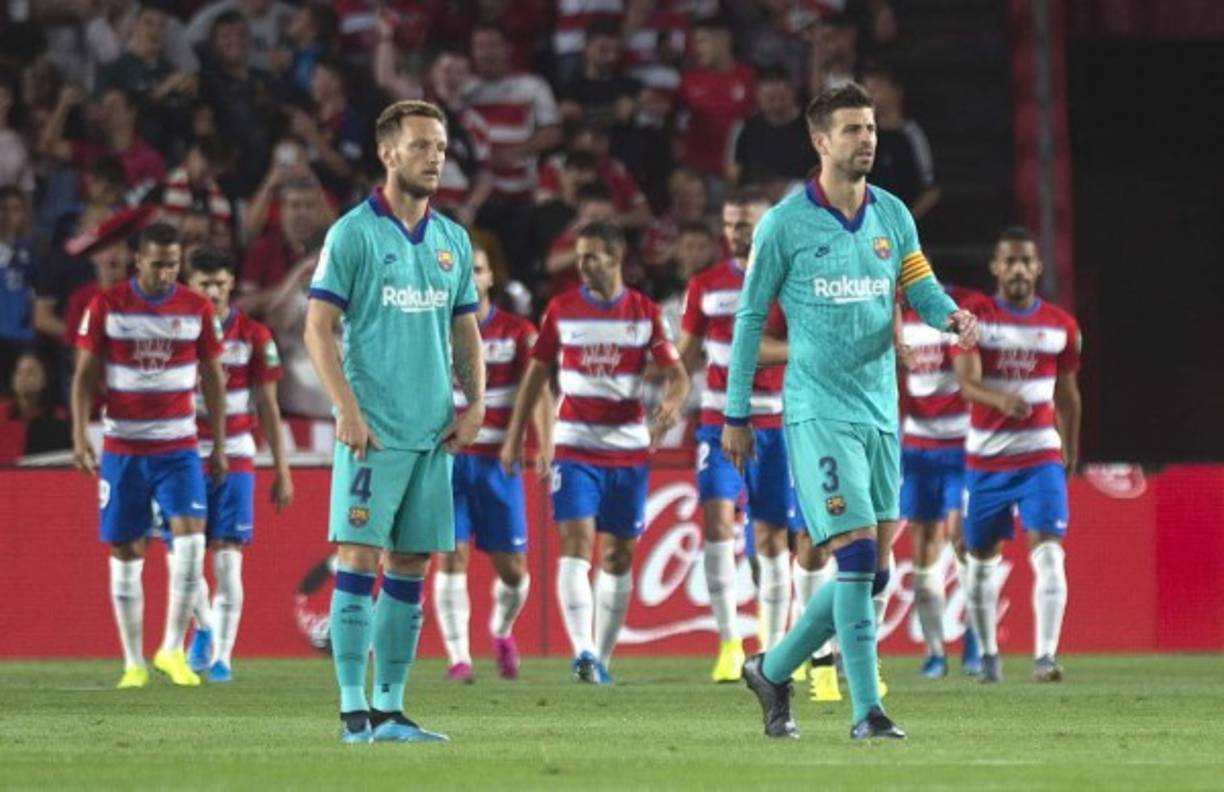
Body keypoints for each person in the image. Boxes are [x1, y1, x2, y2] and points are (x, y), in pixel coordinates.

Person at [721, 82, 978, 741]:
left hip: (881, 414)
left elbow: (918, 284)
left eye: (870, 128)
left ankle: (772, 669)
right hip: (816, 412)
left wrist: (949, 316)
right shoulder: (783, 223)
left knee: (877, 570)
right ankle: (868, 712)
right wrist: (736, 415)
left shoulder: (892, 213)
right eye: (852, 130)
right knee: (858, 559)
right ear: (819, 141)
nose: (867, 139)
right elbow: (750, 320)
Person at [303, 99, 485, 744]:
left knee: (410, 564)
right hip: (373, 429)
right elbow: (317, 328)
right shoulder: (353, 233)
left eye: (440, 146)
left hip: (433, 430)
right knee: (357, 557)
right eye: (420, 145)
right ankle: (352, 711)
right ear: (387, 153)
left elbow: (466, 329)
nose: (435, 156)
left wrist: (477, 402)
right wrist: (346, 410)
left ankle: (389, 710)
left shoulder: (452, 240)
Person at [502, 220, 689, 684]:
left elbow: (678, 375)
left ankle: (601, 658)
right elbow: (536, 375)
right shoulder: (561, 310)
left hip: (628, 449)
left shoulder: (644, 313)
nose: (581, 265)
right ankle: (582, 649)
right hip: (575, 446)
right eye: (579, 256)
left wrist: (669, 404)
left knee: (619, 557)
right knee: (577, 544)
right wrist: (515, 436)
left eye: (591, 256)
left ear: (616, 258)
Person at [70, 221, 228, 690]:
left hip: (178, 447)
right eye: (157, 263)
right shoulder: (108, 306)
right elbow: (83, 376)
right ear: (138, 261)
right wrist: (80, 436)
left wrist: (217, 443)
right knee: (126, 549)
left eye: (173, 264)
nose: (165, 273)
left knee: (192, 540)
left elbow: (214, 377)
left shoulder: (196, 308)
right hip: (123, 447)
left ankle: (171, 650)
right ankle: (133, 662)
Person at [675, 188, 796, 684]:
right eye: (729, 224)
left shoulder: (787, 281)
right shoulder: (704, 285)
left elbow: (801, 345)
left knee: (770, 538)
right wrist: (668, 395)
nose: (736, 233)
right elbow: (685, 354)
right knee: (719, 524)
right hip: (717, 421)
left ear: (766, 224)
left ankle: (770, 649)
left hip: (774, 421)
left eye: (745, 223)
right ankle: (728, 643)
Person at [950, 226, 1081, 684]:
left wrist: (1072, 447)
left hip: (1039, 455)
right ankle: (988, 655)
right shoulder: (974, 317)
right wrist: (1000, 401)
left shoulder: (1061, 326)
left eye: (1027, 261)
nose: (1019, 269)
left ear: (1038, 267)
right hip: (986, 459)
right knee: (981, 560)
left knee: (1049, 554)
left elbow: (1068, 393)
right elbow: (965, 383)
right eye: (1010, 261)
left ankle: (1045, 657)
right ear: (996, 267)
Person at [435, 245, 554, 683]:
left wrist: (543, 441)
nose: (468, 278)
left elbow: (538, 389)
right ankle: (458, 657)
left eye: (477, 271)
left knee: (514, 571)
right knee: (451, 558)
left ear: (489, 279)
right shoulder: (434, 329)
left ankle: (501, 630)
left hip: (497, 465)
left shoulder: (516, 331)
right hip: (447, 460)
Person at [175, 245, 293, 683]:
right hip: (183, 452)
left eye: (221, 284)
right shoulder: (177, 330)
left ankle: (222, 655)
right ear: (192, 287)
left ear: (231, 286)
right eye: (205, 284)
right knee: (183, 560)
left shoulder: (254, 336)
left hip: (239, 455)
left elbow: (268, 405)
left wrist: (282, 469)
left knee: (227, 562)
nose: (214, 292)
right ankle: (204, 629)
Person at [898, 283, 984, 678]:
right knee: (922, 545)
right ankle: (935, 652)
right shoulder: (892, 317)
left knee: (963, 538)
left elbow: (970, 377)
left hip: (959, 446)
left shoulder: (949, 313)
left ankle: (974, 638)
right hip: (917, 449)